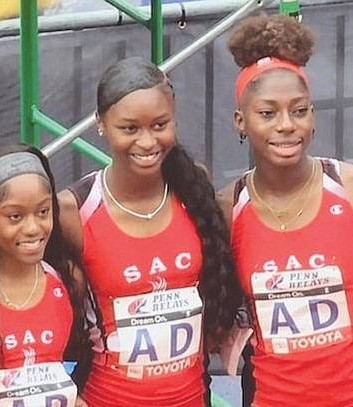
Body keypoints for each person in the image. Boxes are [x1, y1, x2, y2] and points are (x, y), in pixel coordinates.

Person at [218, 14, 353, 407]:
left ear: (313, 116)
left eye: (299, 110)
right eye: (267, 113)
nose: (286, 125)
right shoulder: (227, 207)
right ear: (241, 122)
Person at [58, 57, 243, 407]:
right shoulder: (73, 210)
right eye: (129, 128)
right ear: (100, 123)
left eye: (160, 125)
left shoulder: (193, 188)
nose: (147, 142)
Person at [0, 143, 89, 406]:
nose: (33, 228)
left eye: (43, 212)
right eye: (15, 216)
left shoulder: (67, 281)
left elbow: (69, 377)